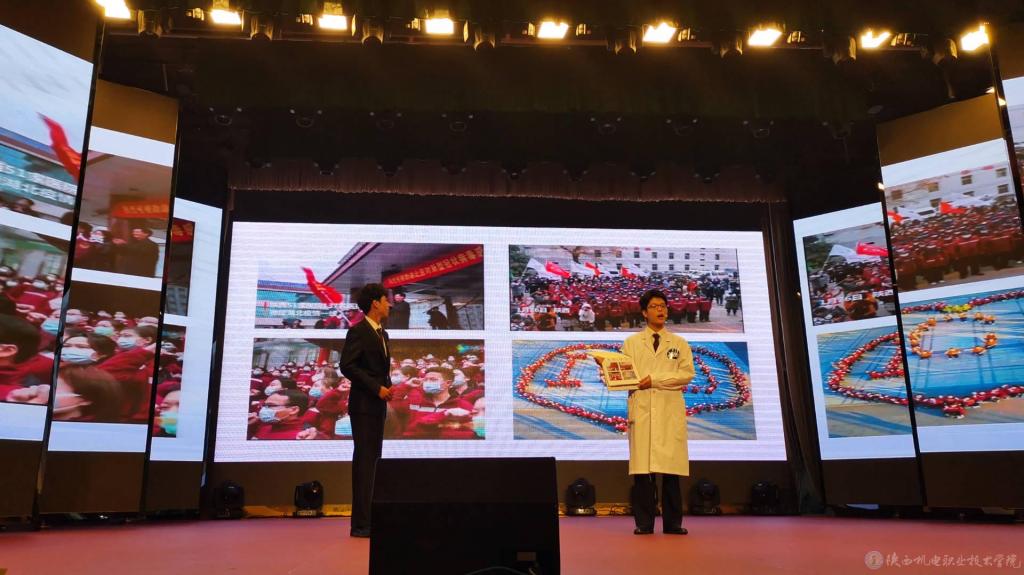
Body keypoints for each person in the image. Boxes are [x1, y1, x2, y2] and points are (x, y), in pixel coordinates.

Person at [615, 289, 694, 536]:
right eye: (654, 306)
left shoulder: (679, 343)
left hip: (669, 409)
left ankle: (673, 523)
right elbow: (624, 375)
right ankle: (644, 523)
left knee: (671, 471)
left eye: (663, 306)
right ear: (644, 312)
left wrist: (656, 380)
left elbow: (686, 374)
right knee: (642, 472)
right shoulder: (631, 343)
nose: (660, 310)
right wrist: (608, 368)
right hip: (642, 409)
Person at [339, 283, 392, 538]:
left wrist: (387, 387)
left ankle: (369, 519)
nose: (389, 304)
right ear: (375, 303)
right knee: (364, 463)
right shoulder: (358, 331)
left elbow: (379, 369)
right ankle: (361, 524)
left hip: (377, 405)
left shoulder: (383, 333)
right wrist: (376, 388)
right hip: (363, 406)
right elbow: (347, 366)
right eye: (385, 300)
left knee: (373, 462)